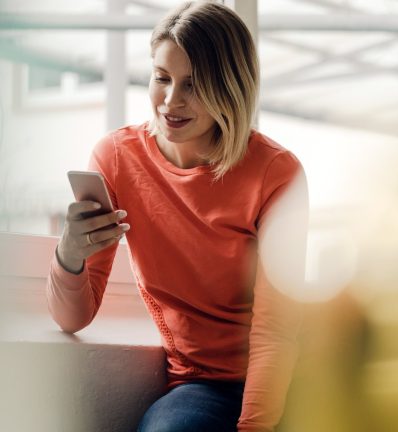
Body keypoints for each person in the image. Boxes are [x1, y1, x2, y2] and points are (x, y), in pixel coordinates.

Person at [45, 2, 307, 431]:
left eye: (193, 84)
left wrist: (254, 427)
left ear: (229, 86)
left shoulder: (276, 173)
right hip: (203, 386)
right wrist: (69, 254)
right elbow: (73, 318)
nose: (171, 101)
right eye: (162, 77)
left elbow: (275, 328)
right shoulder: (116, 158)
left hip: (297, 375)